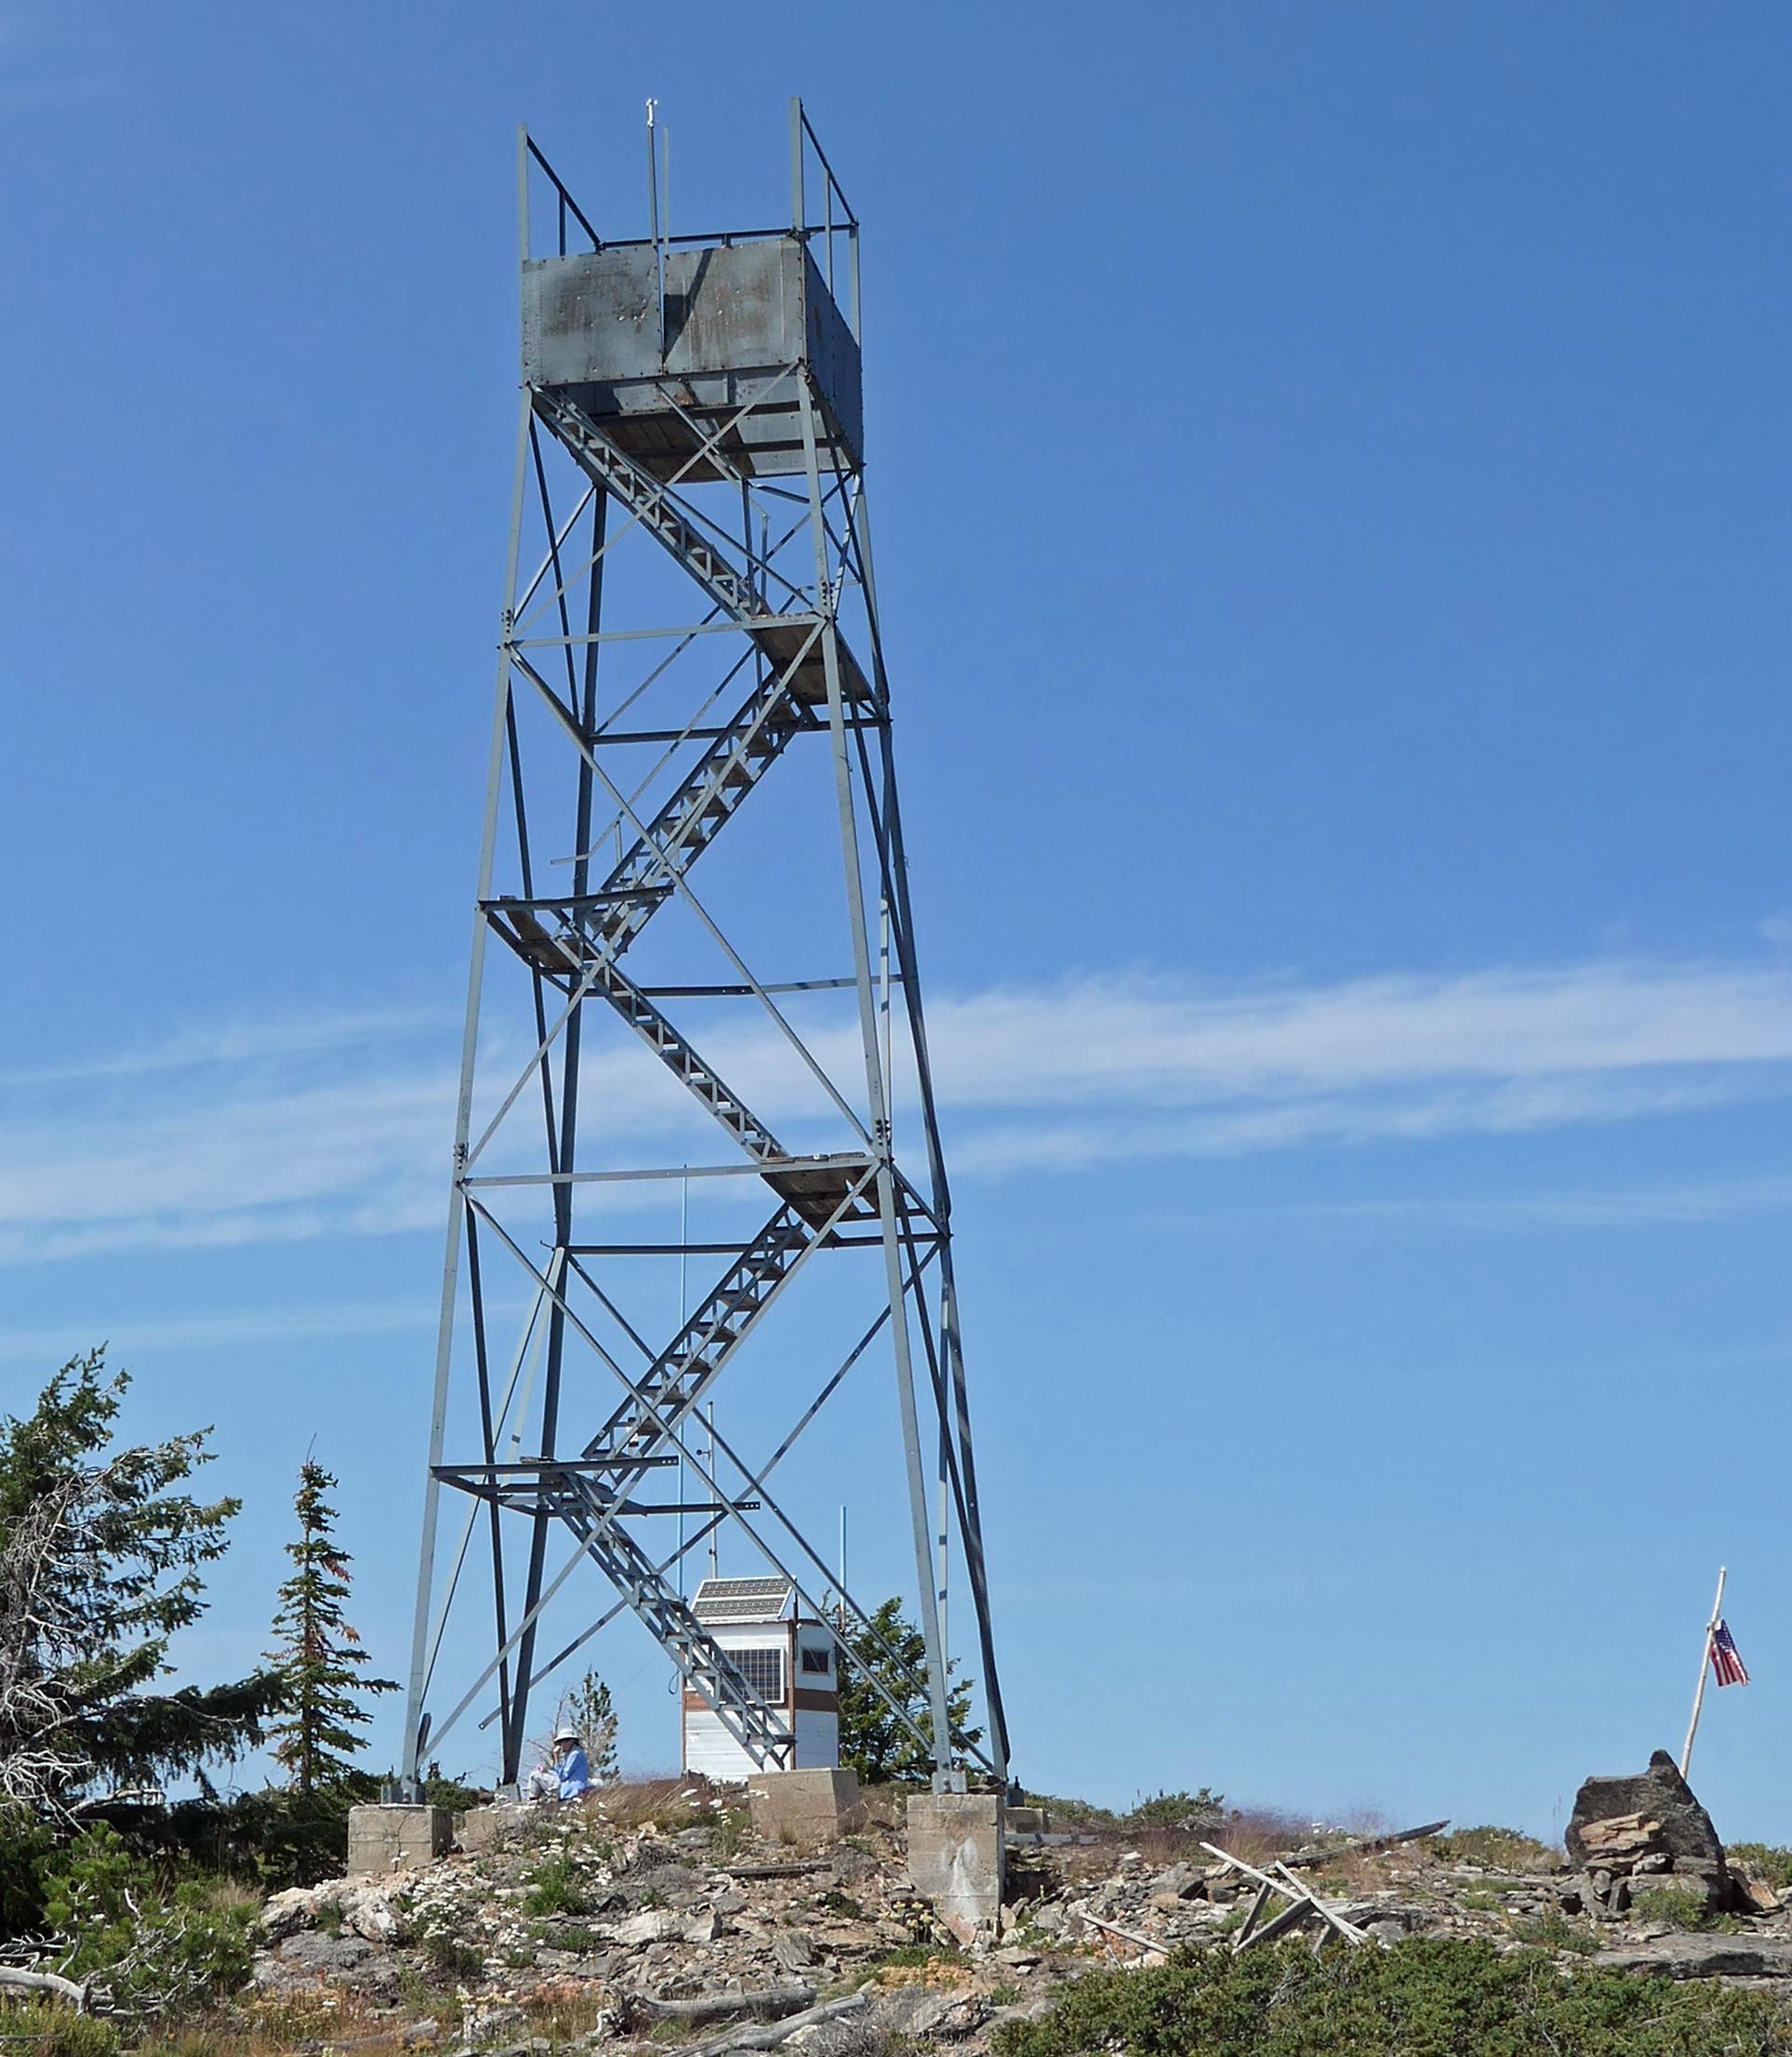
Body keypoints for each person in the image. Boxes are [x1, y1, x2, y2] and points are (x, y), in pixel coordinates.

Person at [552, 1725, 591, 1801]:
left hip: (572, 1793)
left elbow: (563, 1776)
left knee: (536, 1776)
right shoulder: (568, 1755)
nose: (563, 1744)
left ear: (573, 1741)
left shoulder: (575, 1754)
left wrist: (556, 1757)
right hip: (568, 1793)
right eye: (561, 1742)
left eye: (566, 1740)